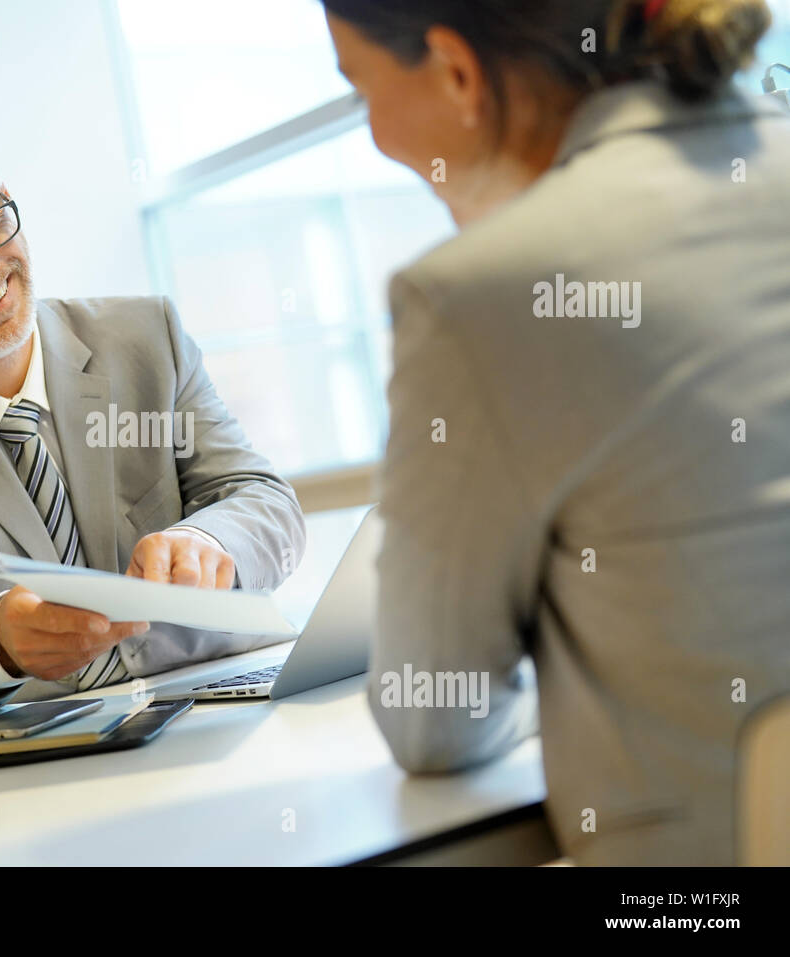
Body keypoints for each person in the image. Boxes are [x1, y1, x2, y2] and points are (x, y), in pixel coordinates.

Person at [322, 0, 790, 864]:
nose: (376, 136)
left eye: (360, 93)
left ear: (458, 72)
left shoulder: (483, 293)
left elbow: (436, 719)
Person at [0, 107, 305, 731]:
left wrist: (211, 541)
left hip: (224, 711)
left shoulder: (146, 338)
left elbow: (264, 502)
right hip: (39, 761)